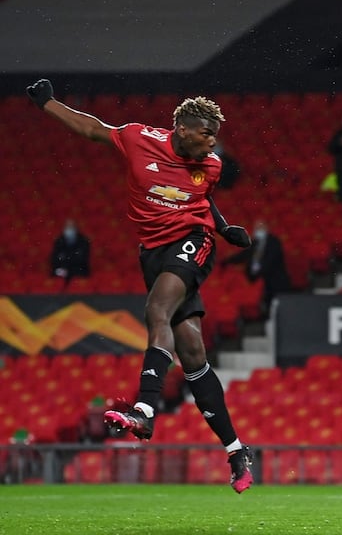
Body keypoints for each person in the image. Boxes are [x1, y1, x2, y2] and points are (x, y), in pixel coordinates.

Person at [26, 78, 255, 493]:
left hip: (193, 242)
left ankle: (145, 410)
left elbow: (200, 199)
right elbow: (93, 128)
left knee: (157, 311)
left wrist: (220, 230)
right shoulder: (137, 138)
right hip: (153, 251)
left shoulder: (213, 165)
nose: (213, 145)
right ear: (183, 129)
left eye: (215, 138)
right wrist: (48, 104)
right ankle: (237, 450)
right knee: (192, 353)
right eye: (207, 135)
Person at [221, 220, 292, 317]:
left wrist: (257, 272)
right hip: (259, 279)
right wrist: (226, 261)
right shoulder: (254, 242)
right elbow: (243, 255)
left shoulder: (274, 241)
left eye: (261, 228)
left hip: (274, 280)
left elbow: (271, 261)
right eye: (257, 228)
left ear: (266, 229)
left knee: (277, 308)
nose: (259, 230)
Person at [51, 219, 91, 285]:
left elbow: (82, 259)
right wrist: (61, 268)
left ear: (76, 228)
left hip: (78, 271)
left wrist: (69, 270)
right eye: (67, 227)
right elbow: (54, 258)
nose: (69, 229)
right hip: (62, 271)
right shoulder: (59, 241)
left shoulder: (83, 241)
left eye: (71, 227)